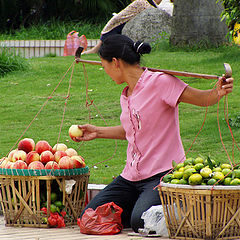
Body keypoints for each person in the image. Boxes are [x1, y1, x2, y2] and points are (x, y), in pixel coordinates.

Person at [72, 34, 234, 233]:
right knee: (90, 215)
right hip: (130, 177)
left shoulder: (160, 82)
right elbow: (132, 131)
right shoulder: (127, 94)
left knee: (141, 221)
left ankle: (184, 208)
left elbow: (201, 99)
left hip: (161, 174)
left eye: (104, 66)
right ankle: (142, 206)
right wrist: (97, 132)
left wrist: (218, 92)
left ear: (115, 63)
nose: (105, 72)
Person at [82, 0, 163, 55]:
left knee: (101, 47)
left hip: (118, 24)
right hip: (116, 25)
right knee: (102, 47)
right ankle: (88, 53)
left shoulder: (145, 3)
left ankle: (89, 52)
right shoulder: (142, 2)